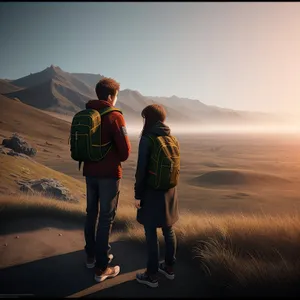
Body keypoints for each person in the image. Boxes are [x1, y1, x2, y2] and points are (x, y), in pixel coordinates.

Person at [83, 77, 131, 283]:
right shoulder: (114, 117)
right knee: (106, 219)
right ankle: (102, 268)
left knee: (91, 213)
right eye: (117, 96)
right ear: (111, 97)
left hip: (89, 172)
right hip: (109, 175)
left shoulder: (87, 113)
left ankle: (92, 256)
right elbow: (126, 151)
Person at [134, 104, 180, 288]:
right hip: (170, 191)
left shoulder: (147, 139)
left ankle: (151, 275)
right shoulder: (172, 139)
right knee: (168, 229)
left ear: (148, 119)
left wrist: (138, 195)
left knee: (151, 233)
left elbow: (141, 171)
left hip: (152, 193)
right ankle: (169, 268)